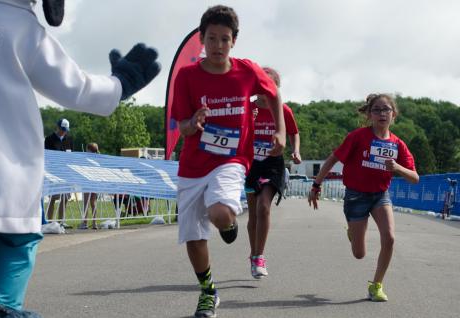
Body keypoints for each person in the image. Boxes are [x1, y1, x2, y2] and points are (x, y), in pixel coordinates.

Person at [0, 0, 160, 315]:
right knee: (15, 242)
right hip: (3, 162)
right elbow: (76, 88)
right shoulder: (23, 28)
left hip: (2, 162)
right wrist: (119, 84)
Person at [171, 5, 286, 317]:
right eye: (211, 38)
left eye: (224, 39)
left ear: (234, 41)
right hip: (193, 165)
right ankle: (208, 292)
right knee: (194, 237)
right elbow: (179, 124)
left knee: (220, 212)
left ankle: (229, 222)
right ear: (202, 40)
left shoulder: (246, 71)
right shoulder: (187, 76)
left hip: (232, 159)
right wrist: (190, 124)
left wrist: (281, 132)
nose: (218, 46)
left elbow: (274, 94)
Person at [308, 94, 419, 302]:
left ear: (393, 115)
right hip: (356, 196)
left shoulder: (398, 144)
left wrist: (397, 168)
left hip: (380, 196)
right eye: (376, 109)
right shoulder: (358, 137)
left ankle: (376, 285)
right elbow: (333, 159)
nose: (382, 113)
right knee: (359, 254)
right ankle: (352, 231)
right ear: (369, 114)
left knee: (390, 238)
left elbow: (415, 178)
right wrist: (316, 185)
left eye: (386, 109)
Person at [245, 67, 301, 279]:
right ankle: (253, 255)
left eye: (269, 84)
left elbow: (294, 133)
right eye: (260, 84)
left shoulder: (283, 110)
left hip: (272, 163)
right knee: (253, 215)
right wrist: (250, 119)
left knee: (263, 207)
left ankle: (260, 255)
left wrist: (295, 150)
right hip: (250, 164)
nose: (264, 89)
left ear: (276, 87)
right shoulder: (247, 107)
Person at [44, 118, 74, 228]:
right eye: (62, 129)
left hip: (66, 173)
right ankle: (50, 221)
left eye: (65, 130)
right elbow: (48, 156)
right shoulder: (49, 139)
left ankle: (62, 221)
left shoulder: (69, 139)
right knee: (53, 197)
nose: (64, 131)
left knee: (65, 197)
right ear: (57, 127)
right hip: (54, 173)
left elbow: (71, 155)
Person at [79, 143, 100, 230]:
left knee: (86, 203)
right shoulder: (97, 159)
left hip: (87, 182)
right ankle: (94, 223)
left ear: (89, 150)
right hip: (95, 182)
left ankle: (85, 222)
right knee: (93, 202)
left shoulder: (87, 159)